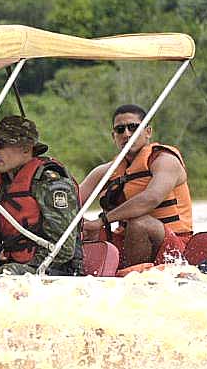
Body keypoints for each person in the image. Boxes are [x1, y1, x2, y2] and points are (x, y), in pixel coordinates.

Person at [79, 103, 193, 270]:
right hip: (126, 240)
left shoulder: (165, 161)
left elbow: (151, 198)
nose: (127, 134)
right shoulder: (105, 172)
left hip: (174, 243)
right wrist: (81, 225)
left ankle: (132, 275)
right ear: (114, 136)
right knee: (79, 230)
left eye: (133, 127)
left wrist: (102, 221)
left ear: (148, 132)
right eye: (120, 130)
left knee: (139, 224)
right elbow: (71, 202)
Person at [0, 115, 83, 276]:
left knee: (6, 273)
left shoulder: (50, 182)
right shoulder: (2, 185)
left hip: (56, 270)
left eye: (1, 144)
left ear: (26, 149)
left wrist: (24, 268)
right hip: (14, 267)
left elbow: (63, 248)